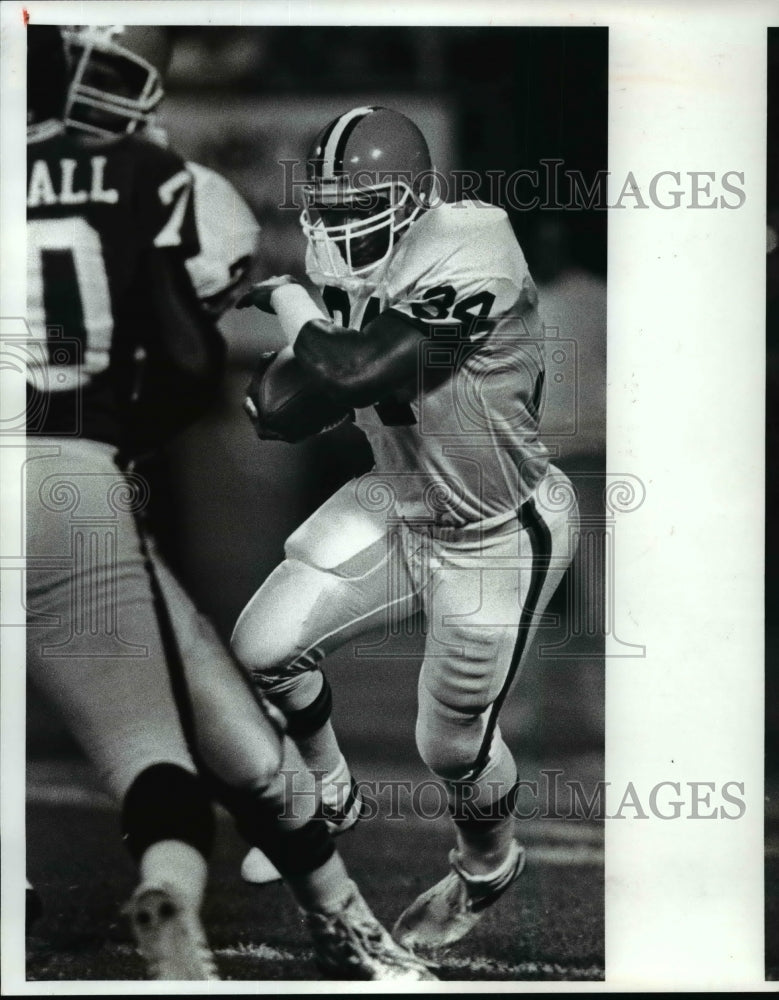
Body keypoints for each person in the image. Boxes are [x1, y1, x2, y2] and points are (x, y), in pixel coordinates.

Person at [25, 29, 435, 982]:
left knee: (235, 738)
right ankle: (317, 920)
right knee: (190, 751)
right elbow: (184, 360)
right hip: (70, 479)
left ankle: (343, 927)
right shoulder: (163, 183)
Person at [233, 104, 580, 958]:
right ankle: (330, 791)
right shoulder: (339, 255)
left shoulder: (473, 245)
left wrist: (282, 300)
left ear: (417, 197)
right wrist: (300, 369)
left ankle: (485, 864)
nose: (339, 225)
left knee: (450, 745)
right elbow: (279, 413)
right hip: (397, 498)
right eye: (329, 205)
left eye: (362, 205)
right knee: (262, 646)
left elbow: (355, 367)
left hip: (496, 526)